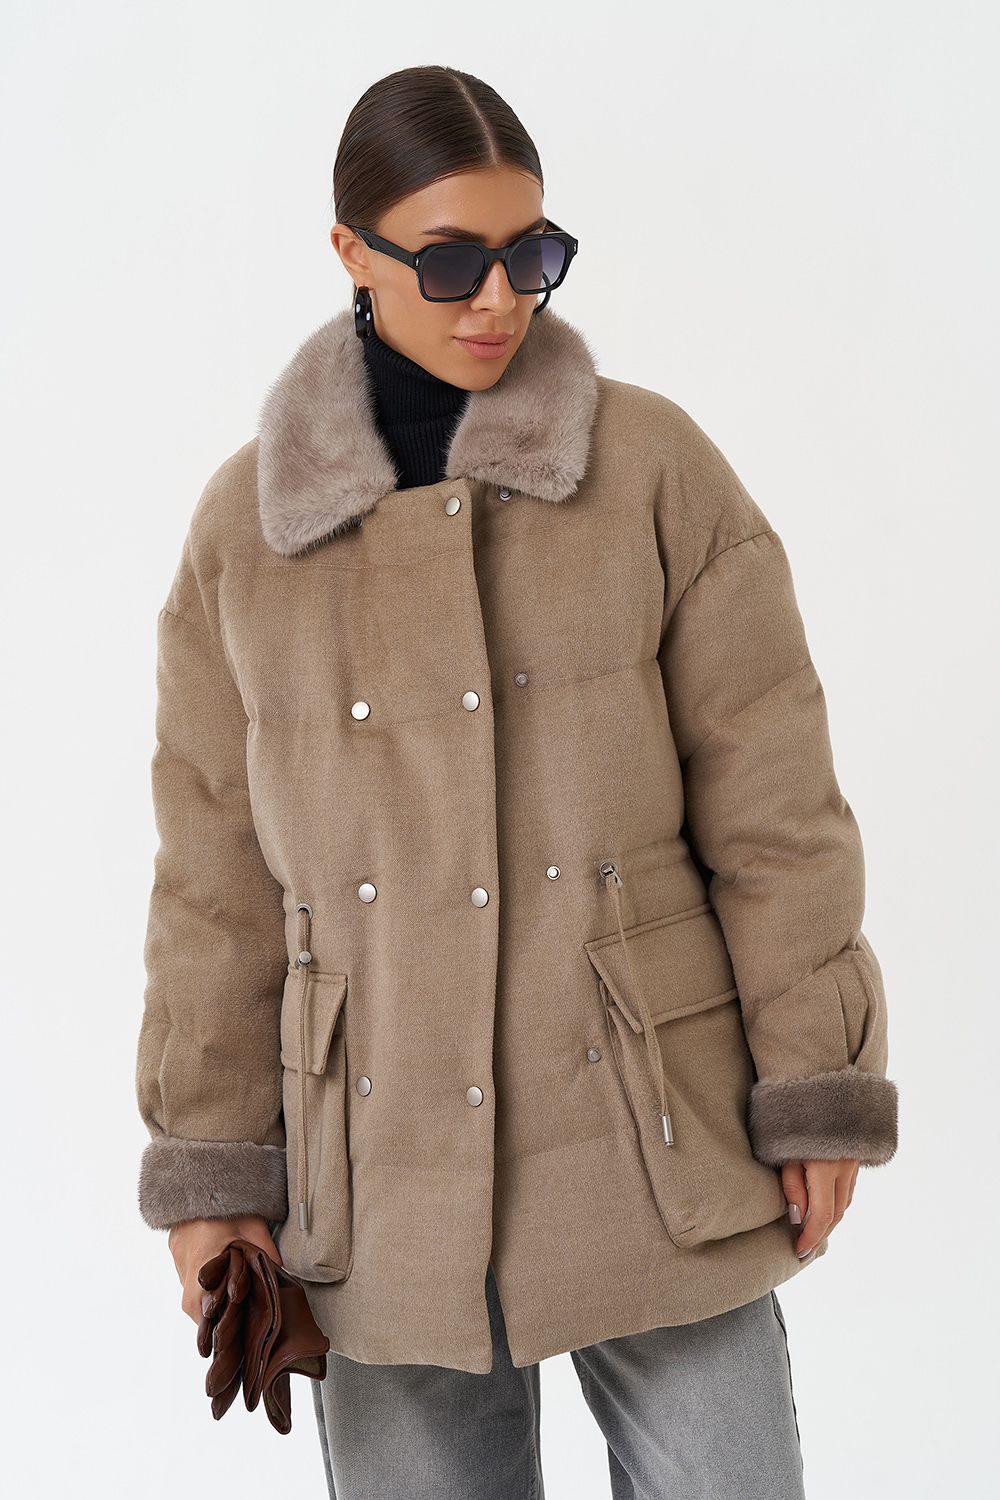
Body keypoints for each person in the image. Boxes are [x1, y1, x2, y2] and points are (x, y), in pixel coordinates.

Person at [135, 64, 898, 1500]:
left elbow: (777, 810)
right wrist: (215, 1171)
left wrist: (816, 1080)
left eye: (531, 254)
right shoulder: (247, 534)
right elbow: (214, 884)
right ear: (352, 253)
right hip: (379, 1162)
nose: (498, 299)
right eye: (450, 261)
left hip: (650, 1129)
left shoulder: (654, 471)